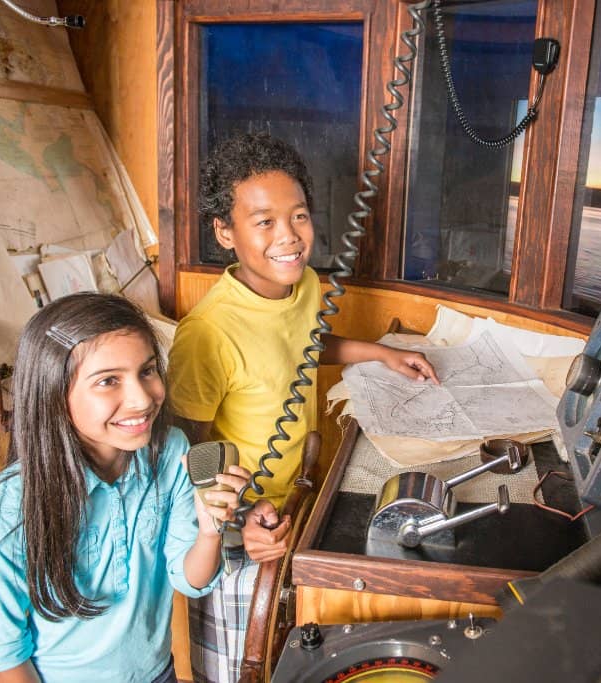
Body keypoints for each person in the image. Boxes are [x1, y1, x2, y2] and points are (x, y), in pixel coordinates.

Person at [168, 133, 438, 682]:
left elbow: (306, 349)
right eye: (264, 222)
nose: (289, 237)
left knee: (286, 662)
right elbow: (184, 453)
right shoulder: (209, 333)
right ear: (225, 232)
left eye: (299, 217)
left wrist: (381, 354)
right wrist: (234, 526)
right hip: (237, 534)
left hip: (293, 508)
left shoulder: (306, 285)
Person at [0, 292, 245, 682]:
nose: (141, 398)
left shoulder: (170, 452)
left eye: (147, 371)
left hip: (157, 674)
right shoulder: (10, 505)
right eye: (108, 381)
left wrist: (209, 529)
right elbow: (5, 657)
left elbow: (191, 581)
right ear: (53, 392)